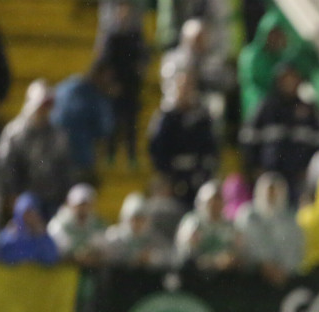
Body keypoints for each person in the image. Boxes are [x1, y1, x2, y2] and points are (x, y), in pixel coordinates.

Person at [238, 62, 319, 200]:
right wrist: (255, 167)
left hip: (297, 177)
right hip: (270, 174)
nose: (289, 82)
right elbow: (248, 138)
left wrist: (308, 169)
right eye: (285, 78)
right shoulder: (266, 107)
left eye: (293, 78)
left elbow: (318, 142)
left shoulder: (308, 110)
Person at [0, 80, 74, 218]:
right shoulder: (14, 133)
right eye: (41, 106)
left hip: (52, 200)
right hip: (23, 199)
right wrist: (11, 196)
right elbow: (6, 168)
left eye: (47, 107)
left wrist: (66, 197)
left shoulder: (58, 135)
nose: (44, 111)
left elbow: (65, 169)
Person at [147, 72, 220, 208]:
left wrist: (205, 171)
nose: (186, 91)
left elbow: (211, 147)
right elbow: (156, 149)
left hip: (198, 178)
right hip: (173, 180)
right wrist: (166, 177)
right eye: (182, 86)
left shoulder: (202, 117)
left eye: (189, 86)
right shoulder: (166, 117)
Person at [97, 0, 149, 167]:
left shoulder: (137, 36)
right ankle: (111, 154)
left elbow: (143, 59)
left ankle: (131, 156)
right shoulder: (111, 36)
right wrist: (110, 84)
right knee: (113, 123)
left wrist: (140, 73)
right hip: (115, 88)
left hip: (132, 87)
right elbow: (104, 62)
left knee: (131, 123)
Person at [52, 59, 117, 184]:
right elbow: (105, 129)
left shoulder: (65, 86)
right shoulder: (96, 98)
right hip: (80, 160)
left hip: (54, 158)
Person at [235, 171, 303, 284]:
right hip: (253, 277)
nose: (271, 195)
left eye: (275, 191)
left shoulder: (291, 218)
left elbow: (296, 246)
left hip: (284, 278)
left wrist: (284, 269)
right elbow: (245, 244)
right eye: (268, 190)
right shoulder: (248, 215)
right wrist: (265, 265)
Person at [174, 179, 243, 271]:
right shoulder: (193, 222)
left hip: (224, 273)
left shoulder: (229, 225)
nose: (215, 204)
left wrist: (230, 258)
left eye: (219, 199)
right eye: (212, 200)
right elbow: (186, 252)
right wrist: (211, 261)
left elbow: (239, 251)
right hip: (196, 273)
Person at [102, 192, 173, 269]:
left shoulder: (153, 238)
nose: (137, 223)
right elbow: (105, 258)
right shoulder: (113, 236)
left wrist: (153, 258)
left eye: (141, 219)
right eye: (134, 219)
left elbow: (170, 257)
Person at [48, 184, 107, 268]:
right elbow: (56, 250)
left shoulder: (99, 224)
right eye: (80, 205)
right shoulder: (58, 224)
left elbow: (104, 247)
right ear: (70, 204)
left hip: (92, 268)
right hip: (64, 270)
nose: (83, 208)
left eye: (86, 204)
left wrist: (92, 255)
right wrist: (76, 256)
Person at [0, 192, 59, 266]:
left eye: (33, 212)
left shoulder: (42, 234)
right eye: (27, 213)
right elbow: (5, 256)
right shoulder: (9, 234)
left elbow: (51, 258)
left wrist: (41, 237)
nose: (30, 217)